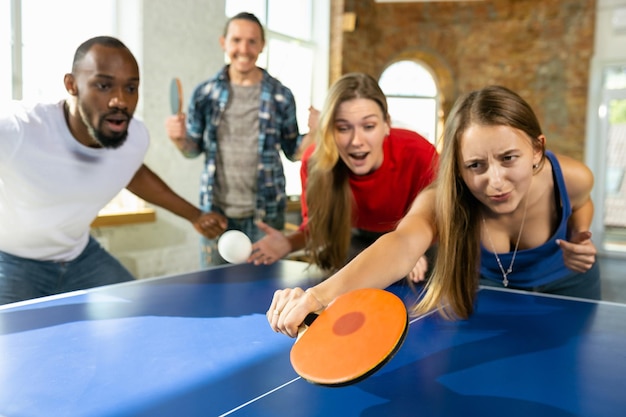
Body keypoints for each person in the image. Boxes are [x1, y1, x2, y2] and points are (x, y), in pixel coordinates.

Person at [267, 85, 600, 337]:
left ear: (537, 149)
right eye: (475, 165)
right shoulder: (444, 199)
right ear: (456, 166)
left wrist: (578, 235)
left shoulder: (570, 178)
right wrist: (317, 297)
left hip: (568, 288)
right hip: (488, 294)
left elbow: (581, 203)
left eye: (508, 158)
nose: (495, 181)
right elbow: (400, 245)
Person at [0, 36, 227, 305]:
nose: (120, 100)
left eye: (131, 88)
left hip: (80, 257)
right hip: (11, 261)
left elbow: (133, 172)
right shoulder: (18, 128)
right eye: (104, 85)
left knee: (141, 317)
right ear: (71, 85)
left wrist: (195, 215)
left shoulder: (134, 138)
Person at [249, 72, 439, 281]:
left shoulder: (420, 154)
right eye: (343, 128)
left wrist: (412, 245)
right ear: (330, 130)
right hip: (354, 244)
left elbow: (441, 217)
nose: (356, 140)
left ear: (386, 124)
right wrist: (288, 243)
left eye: (368, 126)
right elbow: (315, 228)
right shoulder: (315, 163)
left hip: (419, 243)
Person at [165, 12, 309, 267]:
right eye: (237, 40)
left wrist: (318, 133)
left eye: (252, 41)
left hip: (265, 218)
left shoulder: (281, 96)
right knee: (213, 294)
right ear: (224, 43)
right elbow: (192, 149)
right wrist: (179, 139)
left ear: (262, 46)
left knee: (266, 294)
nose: (244, 48)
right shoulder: (205, 94)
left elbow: (293, 151)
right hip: (215, 216)